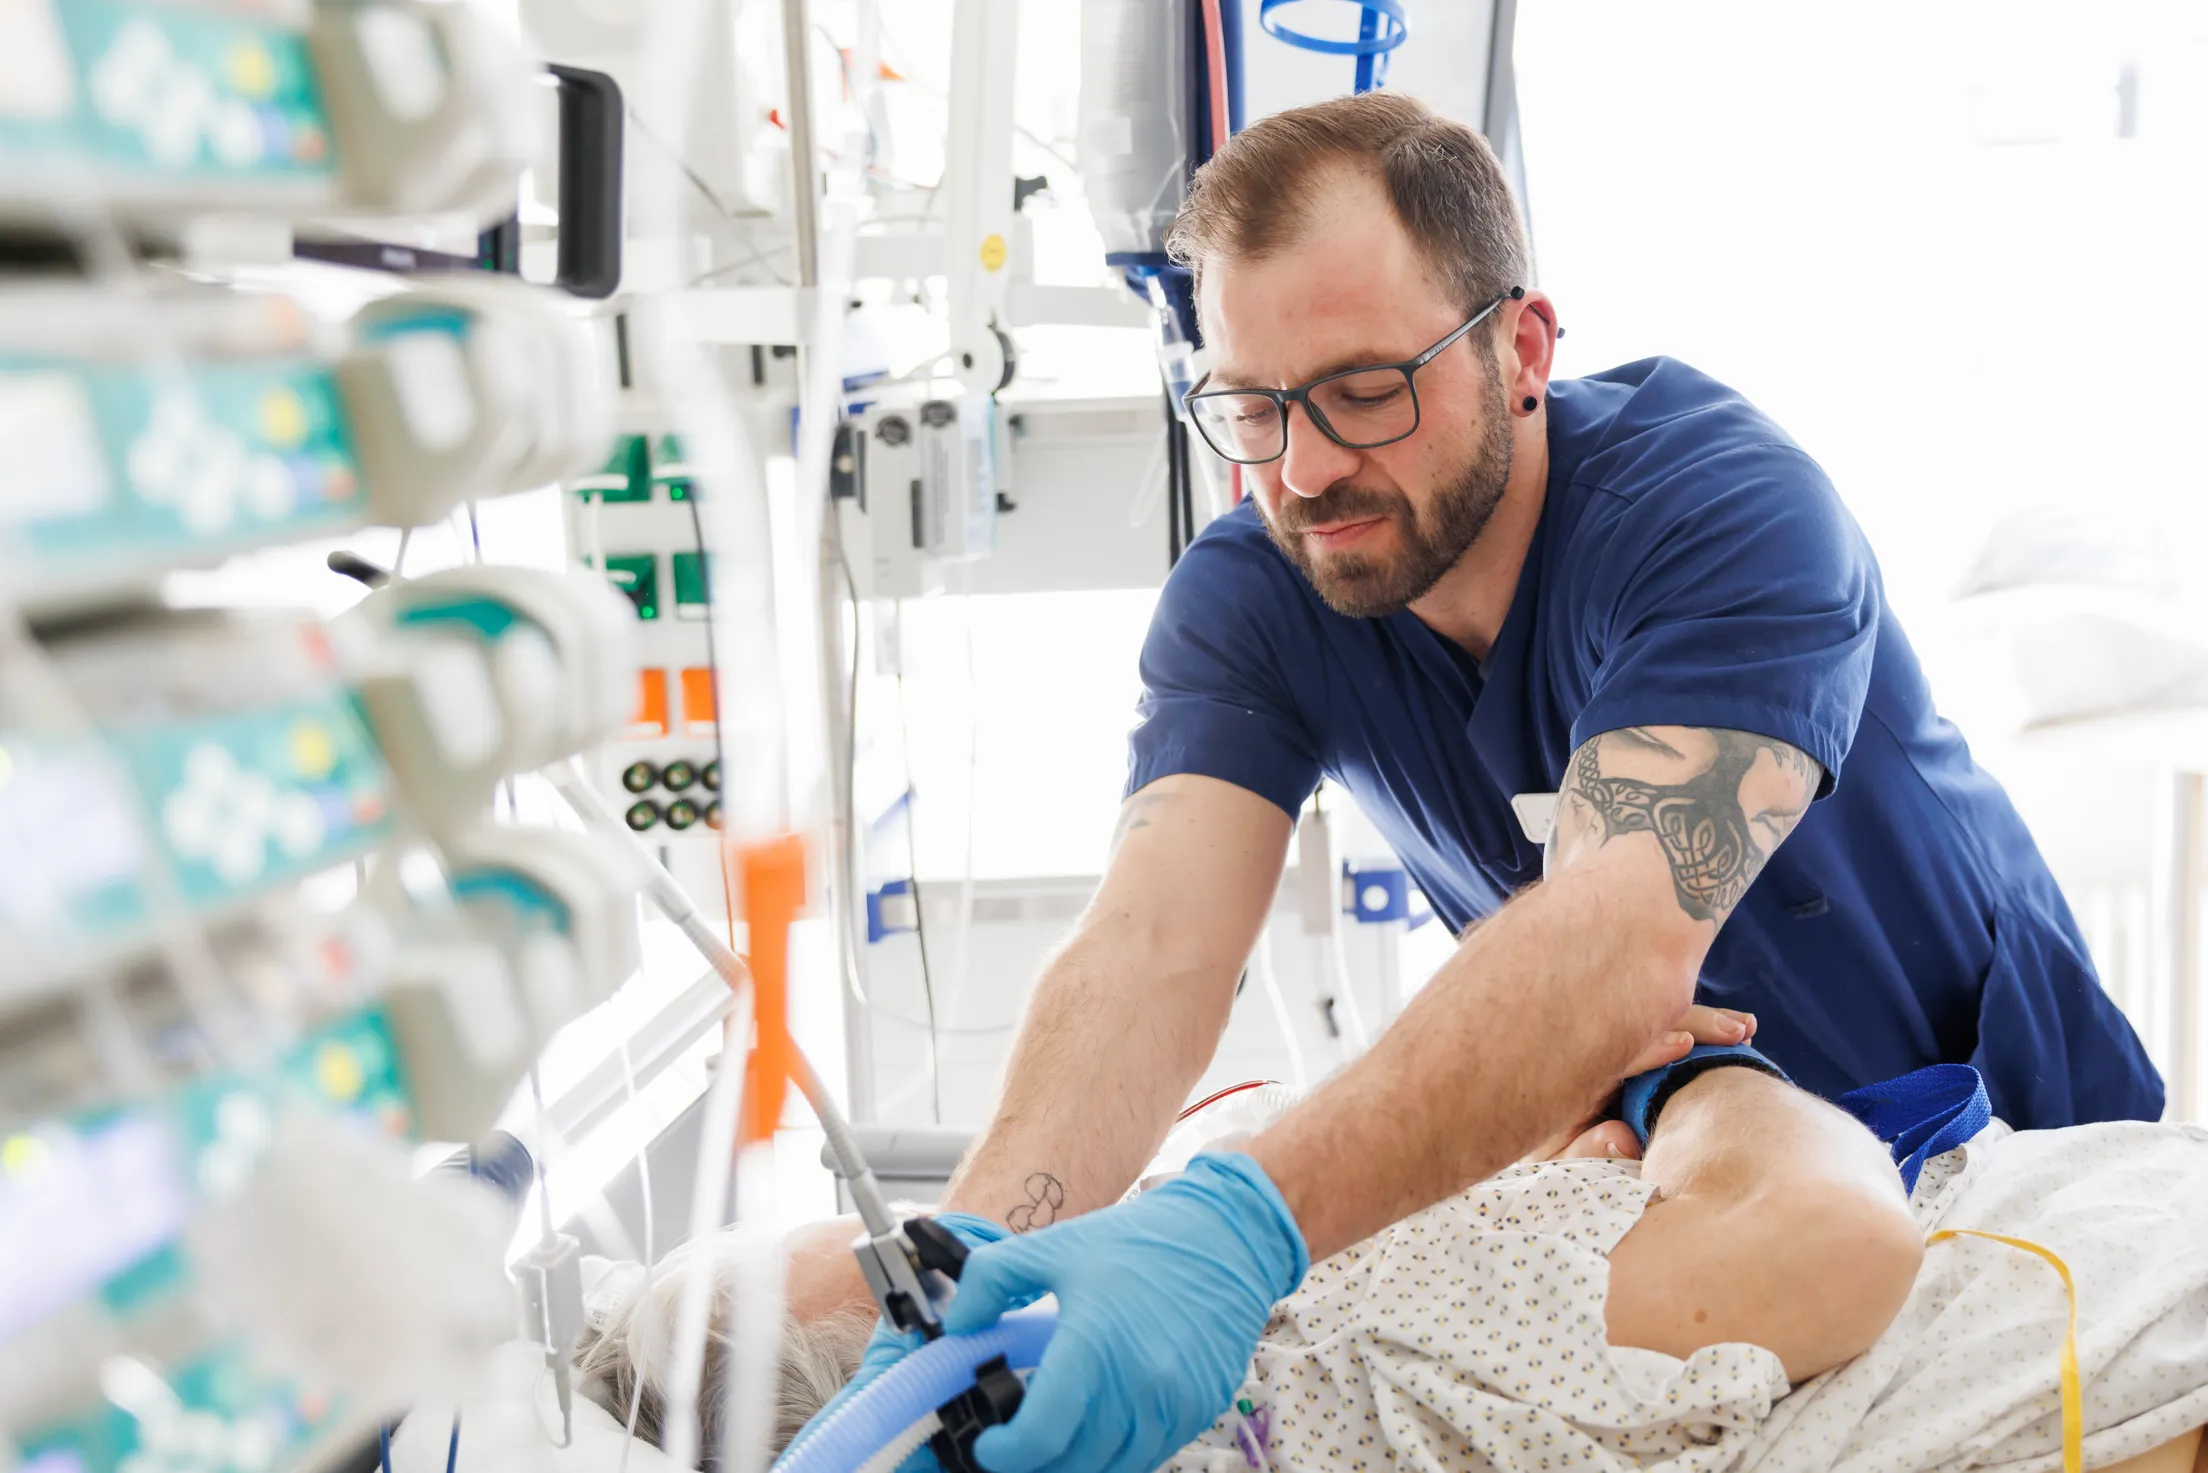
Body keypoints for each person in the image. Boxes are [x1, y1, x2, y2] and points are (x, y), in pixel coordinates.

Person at [825, 88, 2164, 1473]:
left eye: (1362, 392)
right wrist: (974, 1252)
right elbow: (1152, 945)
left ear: (1521, 348)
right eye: (1250, 407)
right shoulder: (1259, 593)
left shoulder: (1720, 514)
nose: (1306, 468)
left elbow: (1618, 942)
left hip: (1985, 1129)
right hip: (1643, 1148)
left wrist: (1237, 1226)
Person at [581, 1053, 2208, 1473]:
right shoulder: (1335, 1384)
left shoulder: (1250, 1296)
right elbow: (1823, 1238)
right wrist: (1690, 1091)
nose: (968, 1241)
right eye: (901, 1273)